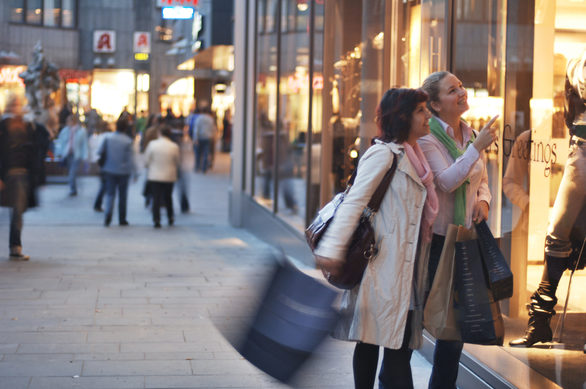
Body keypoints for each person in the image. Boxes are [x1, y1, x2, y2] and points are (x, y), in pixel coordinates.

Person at [314, 88, 438, 389]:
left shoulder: (417, 157)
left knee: (397, 346)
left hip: (406, 268)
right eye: (421, 110)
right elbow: (354, 202)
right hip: (380, 264)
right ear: (403, 116)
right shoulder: (384, 153)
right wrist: (332, 248)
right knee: (371, 341)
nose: (428, 116)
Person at [419, 71, 498, 389]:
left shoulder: (470, 133)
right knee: (431, 320)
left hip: (466, 239)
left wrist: (485, 201)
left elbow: (483, 180)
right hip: (439, 241)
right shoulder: (427, 138)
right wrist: (476, 148)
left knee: (456, 329)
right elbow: (447, 181)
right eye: (453, 90)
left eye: (462, 86)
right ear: (436, 105)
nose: (462, 92)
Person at [509, 53, 586, 348]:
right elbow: (571, 113)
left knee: (558, 235)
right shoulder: (576, 64)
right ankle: (539, 322)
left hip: (580, 152)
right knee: (556, 234)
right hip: (581, 151)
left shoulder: (577, 65)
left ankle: (539, 322)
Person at [0, 94, 43, 260]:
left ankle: (15, 246)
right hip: (10, 173)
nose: (18, 107)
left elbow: (35, 148)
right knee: (17, 211)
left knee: (18, 210)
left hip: (23, 174)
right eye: (15, 104)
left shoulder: (27, 125)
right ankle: (15, 247)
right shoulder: (4, 125)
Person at [98, 114, 136, 227]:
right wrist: (134, 172)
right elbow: (130, 159)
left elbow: (100, 152)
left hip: (109, 169)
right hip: (123, 171)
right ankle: (122, 218)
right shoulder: (127, 141)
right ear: (125, 128)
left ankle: (108, 214)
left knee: (110, 193)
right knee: (122, 195)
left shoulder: (108, 138)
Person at [144, 126, 180, 228]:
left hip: (155, 175)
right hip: (169, 176)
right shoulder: (174, 146)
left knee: (156, 198)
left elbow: (146, 160)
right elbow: (177, 161)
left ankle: (156, 219)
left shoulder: (152, 144)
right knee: (168, 197)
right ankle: (170, 217)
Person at [54, 114, 89, 196]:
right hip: (67, 154)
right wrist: (59, 153)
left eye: (69, 121)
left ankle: (73, 190)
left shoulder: (81, 131)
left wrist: (85, 156)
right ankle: (74, 188)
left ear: (73, 121)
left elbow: (84, 144)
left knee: (72, 173)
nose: (67, 123)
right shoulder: (65, 130)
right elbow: (61, 142)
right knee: (71, 172)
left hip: (77, 155)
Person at [193, 106, 217, 173]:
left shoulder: (199, 119)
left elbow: (196, 129)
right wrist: (213, 137)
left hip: (200, 137)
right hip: (208, 138)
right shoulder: (210, 119)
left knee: (198, 153)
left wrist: (195, 138)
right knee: (206, 153)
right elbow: (213, 129)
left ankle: (197, 166)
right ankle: (204, 168)